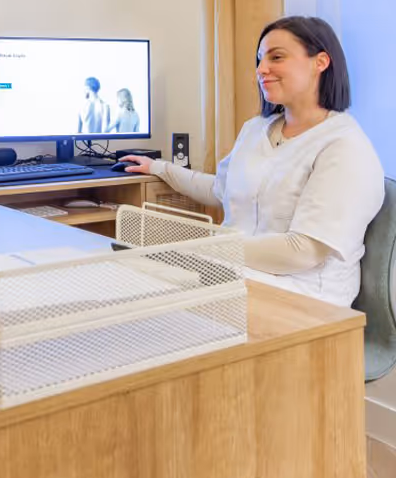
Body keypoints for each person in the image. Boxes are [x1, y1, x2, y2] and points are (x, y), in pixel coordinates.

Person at [122, 16, 384, 308]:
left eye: (277, 57)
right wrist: (159, 168)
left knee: (154, 294)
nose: (261, 70)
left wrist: (206, 248)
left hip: (307, 294)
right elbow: (220, 190)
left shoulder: (344, 145)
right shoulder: (256, 129)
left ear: (320, 62)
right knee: (132, 272)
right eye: (260, 60)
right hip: (235, 272)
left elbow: (303, 252)